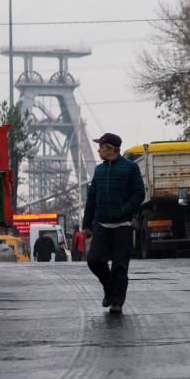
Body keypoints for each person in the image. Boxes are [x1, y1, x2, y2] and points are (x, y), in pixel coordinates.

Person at [82, 132, 145, 314]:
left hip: (122, 226)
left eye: (101, 147)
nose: (99, 150)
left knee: (119, 266)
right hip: (101, 225)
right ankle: (109, 288)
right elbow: (92, 199)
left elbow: (139, 193)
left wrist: (125, 211)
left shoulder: (130, 168)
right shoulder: (99, 171)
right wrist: (87, 224)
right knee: (94, 260)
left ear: (111, 149)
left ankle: (117, 301)